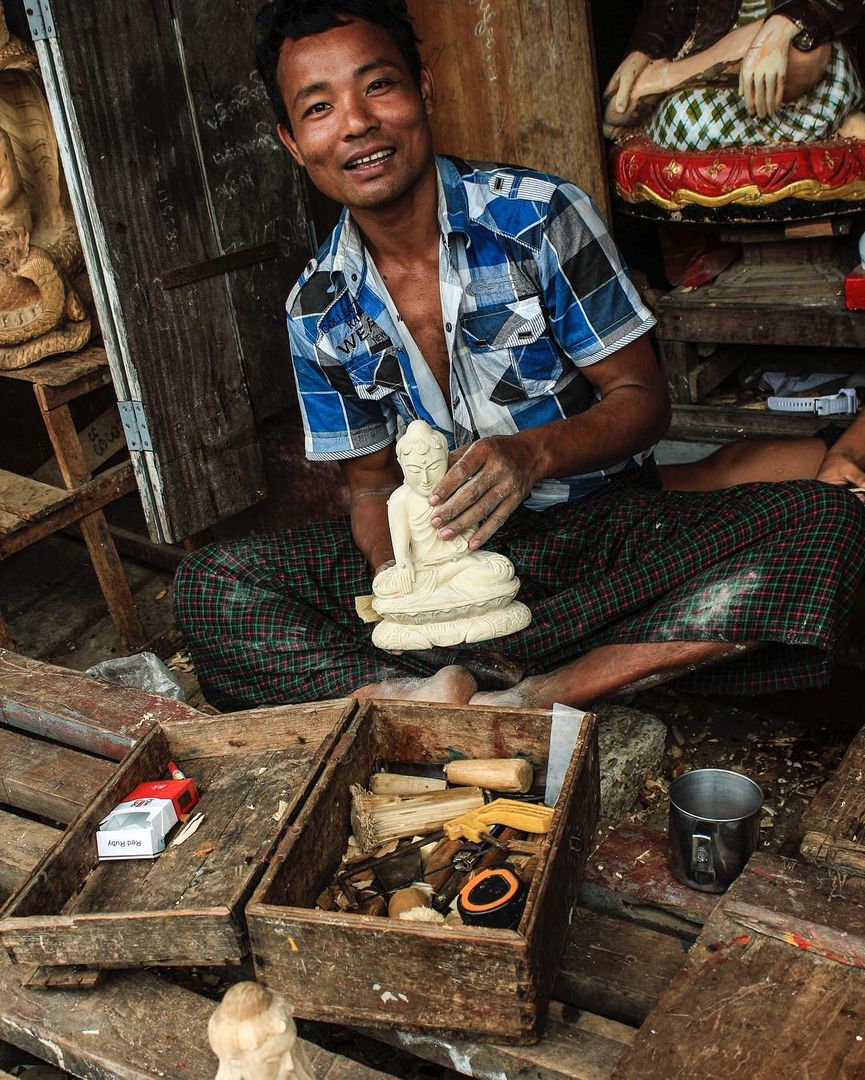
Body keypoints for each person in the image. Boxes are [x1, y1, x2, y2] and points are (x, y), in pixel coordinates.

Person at [174, 0, 865, 712]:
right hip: (454, 568)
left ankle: (543, 690)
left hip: (599, 540)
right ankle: (434, 688)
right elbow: (372, 488)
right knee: (212, 585)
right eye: (319, 108)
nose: (355, 123)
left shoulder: (538, 218)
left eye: (377, 86)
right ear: (292, 142)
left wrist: (532, 454)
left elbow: (642, 402)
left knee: (829, 521)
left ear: (423, 93)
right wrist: (409, 588)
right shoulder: (315, 306)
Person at [604, 0, 865, 149]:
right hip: (729, 84)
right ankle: (670, 77)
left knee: (805, 54)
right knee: (677, 114)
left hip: (807, 66)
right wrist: (645, 49)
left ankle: (666, 77)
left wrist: (787, 23)